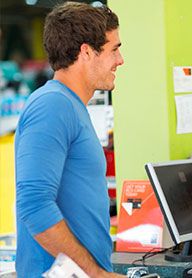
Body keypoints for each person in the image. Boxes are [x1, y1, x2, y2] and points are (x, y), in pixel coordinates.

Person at [15, 2, 124, 277]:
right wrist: (96, 274)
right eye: (114, 49)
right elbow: (34, 203)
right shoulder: (52, 105)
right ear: (87, 52)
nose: (120, 59)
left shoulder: (72, 106)